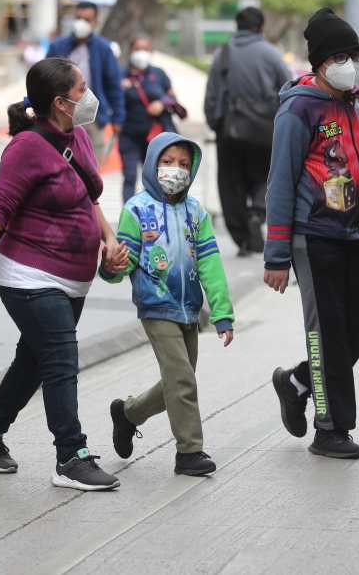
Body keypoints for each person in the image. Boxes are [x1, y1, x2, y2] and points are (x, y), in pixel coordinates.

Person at [0, 57, 126, 491]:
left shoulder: (79, 136)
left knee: (34, 361)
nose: (89, 95)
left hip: (73, 277)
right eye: (81, 89)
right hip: (29, 275)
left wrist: (108, 239)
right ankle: (71, 456)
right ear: (60, 102)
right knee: (61, 360)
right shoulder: (25, 148)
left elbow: (88, 198)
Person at [265, 7, 359, 460]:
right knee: (326, 334)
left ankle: (297, 382)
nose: (349, 64)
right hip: (314, 236)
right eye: (339, 57)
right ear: (320, 63)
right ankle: (330, 428)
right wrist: (276, 255)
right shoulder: (298, 110)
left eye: (353, 56)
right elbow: (280, 183)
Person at [104, 133, 235, 477]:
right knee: (183, 381)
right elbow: (123, 262)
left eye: (183, 164)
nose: (175, 170)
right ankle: (189, 451)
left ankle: (128, 414)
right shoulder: (136, 210)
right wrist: (111, 267)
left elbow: (210, 264)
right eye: (167, 162)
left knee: (178, 381)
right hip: (156, 306)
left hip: (189, 308)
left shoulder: (196, 213)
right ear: (152, 164)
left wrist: (221, 312)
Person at [204, 7, 292, 257]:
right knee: (267, 176)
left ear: (237, 26)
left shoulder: (223, 53)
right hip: (266, 129)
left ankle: (243, 238)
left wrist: (215, 123)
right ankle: (258, 212)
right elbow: (288, 89)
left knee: (231, 184)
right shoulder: (272, 54)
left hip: (230, 131)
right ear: (261, 27)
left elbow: (212, 94)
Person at [46, 1, 125, 162]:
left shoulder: (103, 49)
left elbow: (114, 86)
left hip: (94, 117)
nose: (81, 23)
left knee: (92, 167)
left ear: (95, 22)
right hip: (61, 116)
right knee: (59, 164)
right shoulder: (58, 47)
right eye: (78, 18)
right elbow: (44, 79)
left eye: (87, 20)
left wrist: (118, 118)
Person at [119, 36, 178, 203]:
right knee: (130, 175)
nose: (141, 53)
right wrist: (121, 88)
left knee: (154, 177)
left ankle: (155, 211)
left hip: (154, 136)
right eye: (137, 49)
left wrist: (161, 103)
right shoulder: (121, 75)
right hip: (129, 134)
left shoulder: (158, 74)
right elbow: (112, 100)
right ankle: (129, 212)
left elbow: (172, 97)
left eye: (145, 49)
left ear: (151, 52)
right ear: (131, 51)